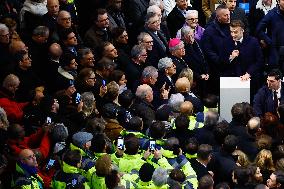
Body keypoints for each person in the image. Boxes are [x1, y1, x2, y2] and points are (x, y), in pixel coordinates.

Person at [201, 4, 231, 95]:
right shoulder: (209, 31)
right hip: (216, 70)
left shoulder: (231, 27)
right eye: (225, 15)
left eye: (229, 14)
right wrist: (220, 61)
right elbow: (208, 51)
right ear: (218, 17)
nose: (228, 17)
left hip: (230, 68)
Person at [256, 0, 284, 69]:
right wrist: (270, 41)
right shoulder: (272, 14)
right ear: (278, 1)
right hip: (276, 52)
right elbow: (259, 30)